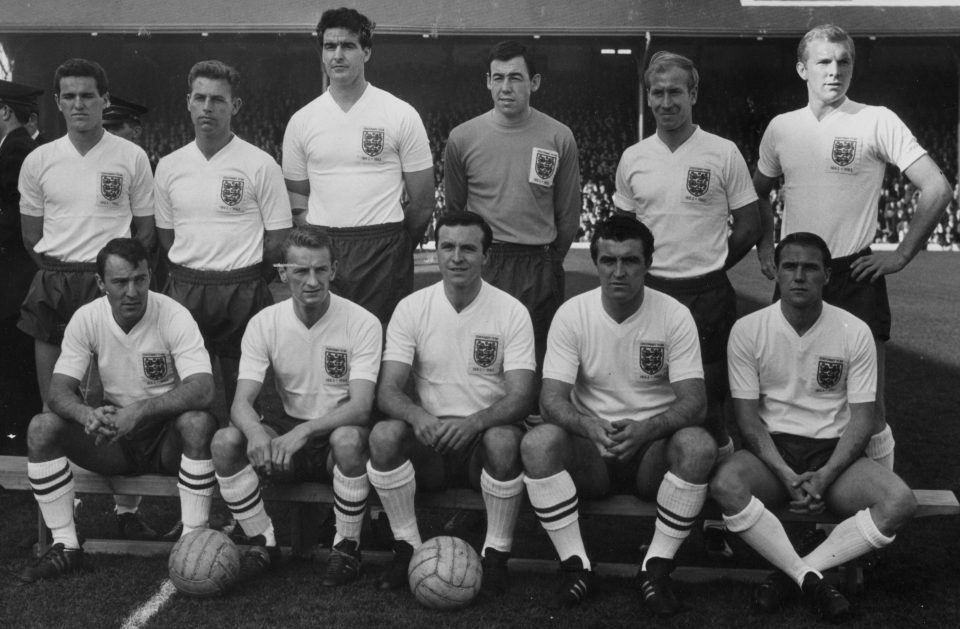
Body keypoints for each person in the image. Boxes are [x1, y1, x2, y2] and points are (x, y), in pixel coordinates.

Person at [753, 24, 952, 471]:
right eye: (824, 61)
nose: (835, 71)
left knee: (869, 408)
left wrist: (901, 255)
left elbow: (937, 187)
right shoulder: (781, 128)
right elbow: (757, 190)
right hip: (797, 275)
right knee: (783, 396)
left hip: (854, 274)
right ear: (802, 68)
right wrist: (766, 246)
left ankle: (874, 516)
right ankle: (790, 495)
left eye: (844, 61)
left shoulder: (876, 119)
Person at [710, 232, 917, 622]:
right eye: (790, 267)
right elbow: (747, 419)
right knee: (725, 484)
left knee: (899, 502)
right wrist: (786, 473)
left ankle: (794, 575)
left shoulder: (854, 331)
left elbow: (863, 420)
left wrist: (825, 476)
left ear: (826, 275)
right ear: (778, 275)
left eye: (810, 268)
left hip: (833, 452)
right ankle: (809, 577)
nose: (799, 276)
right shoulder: (749, 329)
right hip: (775, 452)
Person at [521, 216, 715, 615]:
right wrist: (587, 425)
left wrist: (648, 429)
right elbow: (551, 400)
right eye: (608, 260)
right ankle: (576, 565)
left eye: (630, 260)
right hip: (592, 452)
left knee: (698, 445)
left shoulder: (674, 315)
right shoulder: (573, 314)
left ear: (648, 264)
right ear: (596, 263)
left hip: (652, 454)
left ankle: (656, 567)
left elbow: (695, 402)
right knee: (539, 442)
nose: (619, 271)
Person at [19, 238, 217, 583]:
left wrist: (137, 412)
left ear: (150, 277)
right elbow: (58, 390)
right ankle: (67, 546)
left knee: (198, 423)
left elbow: (203, 388)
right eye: (120, 282)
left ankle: (192, 539)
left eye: (140, 279)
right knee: (41, 427)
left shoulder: (173, 314)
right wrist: (86, 415)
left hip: (166, 437)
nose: (132, 291)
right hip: (115, 439)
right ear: (100, 284)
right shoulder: (87, 317)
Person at [367, 212, 535, 596]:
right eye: (448, 247)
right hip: (432, 439)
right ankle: (406, 547)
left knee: (505, 440)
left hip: (485, 439)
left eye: (468, 248)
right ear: (436, 251)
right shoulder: (412, 308)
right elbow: (388, 390)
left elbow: (522, 395)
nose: (457, 257)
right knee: (383, 434)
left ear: (486, 256)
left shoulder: (511, 311)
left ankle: (495, 556)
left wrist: (474, 423)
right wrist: (418, 415)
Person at [212, 225, 381, 584]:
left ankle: (347, 548)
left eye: (321, 269)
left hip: (339, 435)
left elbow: (362, 407)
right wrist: (257, 432)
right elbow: (240, 402)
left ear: (334, 270)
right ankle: (263, 541)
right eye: (301, 271)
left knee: (349, 439)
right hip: (290, 435)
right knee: (226, 442)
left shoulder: (362, 322)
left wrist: (303, 432)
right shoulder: (265, 323)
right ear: (283, 273)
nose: (312, 281)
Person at [613, 51, 759, 462]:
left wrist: (710, 263)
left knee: (709, 404)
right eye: (656, 93)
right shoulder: (633, 158)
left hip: (706, 295)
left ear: (693, 93)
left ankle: (724, 481)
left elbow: (748, 224)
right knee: (650, 393)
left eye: (675, 91)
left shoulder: (722, 152)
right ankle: (661, 476)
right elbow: (623, 232)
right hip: (651, 293)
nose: (665, 102)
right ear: (648, 97)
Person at [18, 58, 155, 414]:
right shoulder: (38, 160)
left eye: (88, 95)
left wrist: (112, 276)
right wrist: (61, 272)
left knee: (109, 395)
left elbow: (145, 231)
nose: (78, 104)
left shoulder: (132, 156)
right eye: (70, 96)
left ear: (105, 100)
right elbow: (31, 237)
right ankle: (56, 466)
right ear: (58, 101)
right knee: (55, 400)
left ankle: (111, 464)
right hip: (55, 281)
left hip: (108, 283)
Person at [282, 7, 434, 326]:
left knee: (382, 349)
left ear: (366, 51)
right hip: (324, 247)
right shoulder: (301, 121)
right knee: (326, 347)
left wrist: (396, 243)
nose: (338, 55)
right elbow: (296, 199)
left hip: (384, 250)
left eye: (348, 46)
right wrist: (319, 237)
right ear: (322, 53)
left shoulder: (400, 114)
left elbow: (422, 202)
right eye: (329, 46)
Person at [155, 60, 292, 412]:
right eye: (199, 98)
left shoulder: (260, 164)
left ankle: (244, 463)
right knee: (186, 398)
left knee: (245, 398)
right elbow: (167, 236)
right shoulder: (169, 165)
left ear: (236, 106)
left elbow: (278, 238)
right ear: (188, 101)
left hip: (242, 290)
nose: (207, 107)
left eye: (218, 99)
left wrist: (244, 275)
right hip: (185, 288)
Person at [444, 39, 580, 384]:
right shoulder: (462, 138)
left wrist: (550, 259)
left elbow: (568, 214)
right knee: (480, 359)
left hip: (538, 263)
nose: (506, 87)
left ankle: (531, 427)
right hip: (485, 262)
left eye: (516, 78)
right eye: (498, 77)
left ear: (534, 82)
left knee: (532, 361)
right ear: (488, 81)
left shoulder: (558, 137)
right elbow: (455, 210)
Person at [0, 79, 42, 452]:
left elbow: (11, 219)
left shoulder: (16, 150)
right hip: (14, 275)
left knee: (14, 366)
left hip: (13, 279)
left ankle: (16, 445)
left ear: (4, 111)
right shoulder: (15, 147)